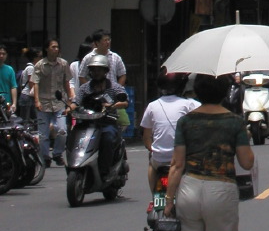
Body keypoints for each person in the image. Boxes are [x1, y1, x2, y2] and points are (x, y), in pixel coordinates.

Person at [164, 74, 254, 231]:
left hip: (189, 188)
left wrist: (169, 200)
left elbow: (177, 164)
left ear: (197, 92)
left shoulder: (186, 121)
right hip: (222, 189)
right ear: (225, 93)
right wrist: (246, 138)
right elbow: (246, 162)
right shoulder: (234, 121)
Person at [140, 72, 199, 194]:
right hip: (182, 157)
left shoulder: (152, 106)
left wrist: (154, 150)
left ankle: (155, 196)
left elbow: (146, 138)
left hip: (159, 158)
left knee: (152, 163)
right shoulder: (190, 104)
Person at [78, 53, 128, 181]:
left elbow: (125, 101)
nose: (96, 72)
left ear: (105, 71)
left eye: (99, 69)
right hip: (87, 123)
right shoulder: (85, 88)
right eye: (93, 70)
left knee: (107, 137)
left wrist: (112, 106)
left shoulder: (114, 86)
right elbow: (75, 101)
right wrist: (69, 108)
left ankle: (105, 171)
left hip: (107, 123)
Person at [32, 38, 73, 167]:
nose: (56, 49)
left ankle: (57, 153)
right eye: (53, 47)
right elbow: (36, 83)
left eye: (57, 47)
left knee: (62, 130)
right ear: (47, 49)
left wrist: (69, 100)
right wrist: (37, 100)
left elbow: (67, 83)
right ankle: (45, 157)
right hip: (44, 102)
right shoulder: (40, 65)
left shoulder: (63, 64)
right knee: (43, 134)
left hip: (59, 102)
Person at [17, 47, 41, 126]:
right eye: (39, 57)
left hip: (27, 96)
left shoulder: (30, 67)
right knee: (25, 120)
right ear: (35, 58)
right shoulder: (31, 68)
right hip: (27, 96)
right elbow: (32, 84)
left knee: (32, 119)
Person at [0, 44, 17, 114]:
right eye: (0, 54)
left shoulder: (10, 69)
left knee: (8, 121)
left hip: (7, 102)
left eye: (3, 54)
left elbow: (13, 87)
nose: (1, 56)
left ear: (6, 55)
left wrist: (14, 103)